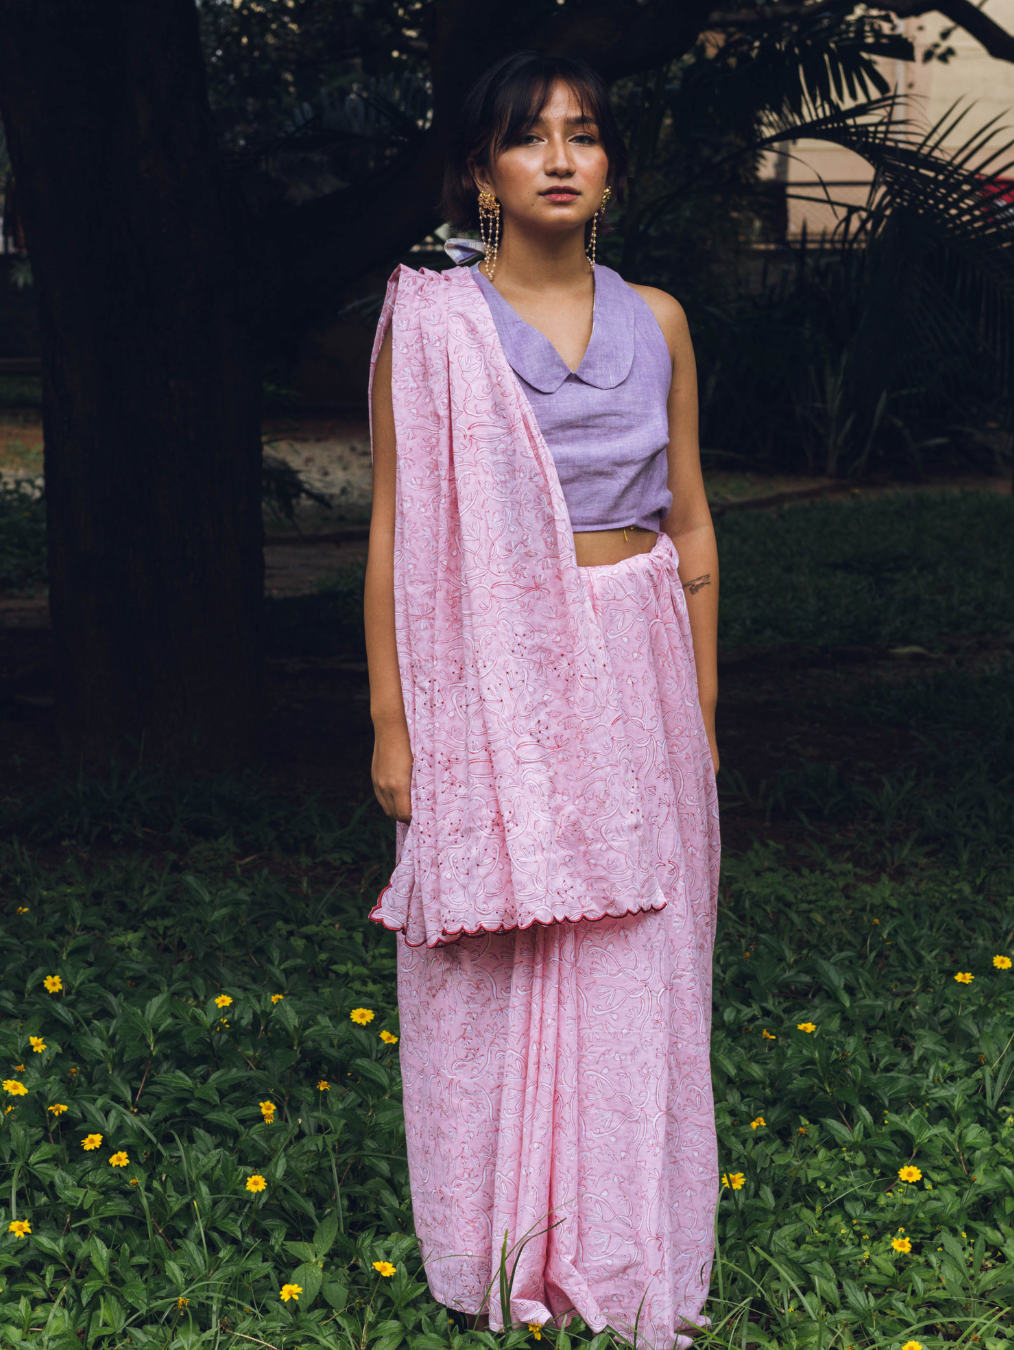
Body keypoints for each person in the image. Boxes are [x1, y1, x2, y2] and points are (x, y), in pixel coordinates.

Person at [364, 49, 722, 1350]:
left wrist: (706, 720)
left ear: (611, 163)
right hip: (499, 670)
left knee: (639, 959)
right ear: (481, 172)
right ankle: (512, 1234)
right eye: (530, 138)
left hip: (638, 662)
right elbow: (398, 535)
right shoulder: (438, 324)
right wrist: (395, 724)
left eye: (584, 134)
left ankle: (625, 1249)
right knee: (516, 953)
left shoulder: (662, 319)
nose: (561, 157)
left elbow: (692, 533)